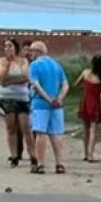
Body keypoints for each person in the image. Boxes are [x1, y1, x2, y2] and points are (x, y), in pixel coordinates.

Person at [28, 41, 68, 174]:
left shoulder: (34, 65)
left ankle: (41, 164)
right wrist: (59, 98)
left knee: (41, 133)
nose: (30, 53)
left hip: (40, 105)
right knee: (56, 134)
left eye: (32, 51)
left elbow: (36, 85)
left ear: (38, 51)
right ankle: (59, 163)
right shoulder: (56, 65)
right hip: (57, 106)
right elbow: (65, 85)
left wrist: (48, 99)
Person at [0, 38, 36, 168]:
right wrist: (8, 65)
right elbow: (1, 79)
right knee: (11, 127)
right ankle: (14, 155)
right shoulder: (1, 61)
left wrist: (10, 81)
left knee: (26, 127)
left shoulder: (23, 61)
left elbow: (26, 77)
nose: (8, 48)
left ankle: (33, 155)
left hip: (22, 97)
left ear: (15, 48)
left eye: (10, 46)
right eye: (6, 46)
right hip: (7, 98)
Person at [74, 55, 101, 162]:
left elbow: (75, 84)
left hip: (85, 102)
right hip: (95, 104)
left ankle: (85, 153)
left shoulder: (85, 73)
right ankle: (91, 154)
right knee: (93, 130)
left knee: (86, 129)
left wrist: (84, 88)